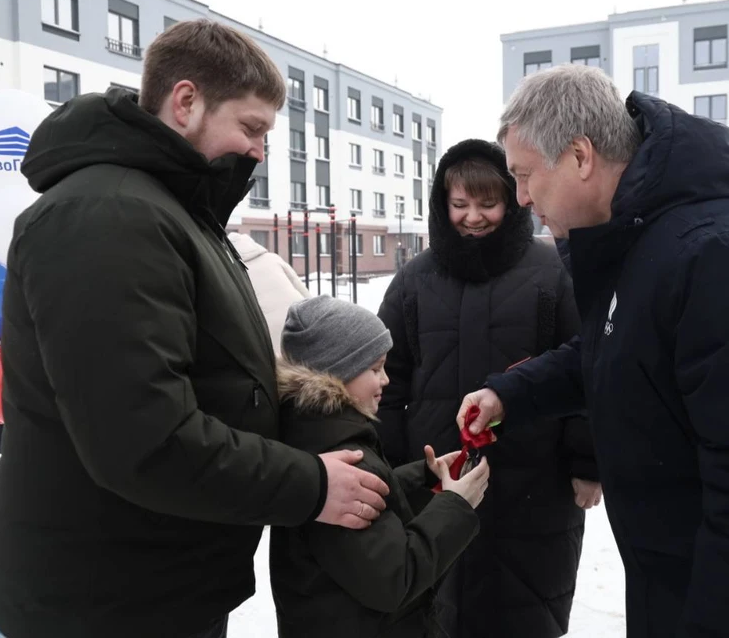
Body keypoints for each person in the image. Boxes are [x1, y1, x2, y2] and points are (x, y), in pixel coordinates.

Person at [0, 19, 390, 638]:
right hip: (108, 603)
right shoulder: (108, 216)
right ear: (186, 102)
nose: (259, 150)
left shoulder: (171, 209)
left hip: (156, 583)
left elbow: (215, 373)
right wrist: (310, 486)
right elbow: (144, 439)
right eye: (252, 128)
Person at [458, 64, 729, 638]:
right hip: (687, 587)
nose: (522, 197)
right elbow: (624, 350)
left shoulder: (720, 257)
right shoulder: (644, 239)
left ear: (580, 157)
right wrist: (511, 394)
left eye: (526, 175)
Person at [376, 138, 600, 638]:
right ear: (442, 204)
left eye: (487, 204)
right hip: (436, 481)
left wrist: (587, 462)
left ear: (513, 199)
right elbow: (386, 386)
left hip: (534, 484)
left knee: (524, 612)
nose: (472, 217)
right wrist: (389, 469)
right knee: (436, 612)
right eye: (460, 205)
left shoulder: (553, 274)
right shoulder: (414, 281)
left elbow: (588, 369)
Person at [270, 295, 488, 637]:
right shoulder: (342, 458)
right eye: (374, 368)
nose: (386, 379)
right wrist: (455, 506)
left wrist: (423, 477)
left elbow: (369, 527)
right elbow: (393, 578)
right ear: (336, 372)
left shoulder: (317, 435)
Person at [227, 230, 310, 356]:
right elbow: (305, 294)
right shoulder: (273, 258)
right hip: (296, 324)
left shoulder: (230, 270)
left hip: (263, 336)